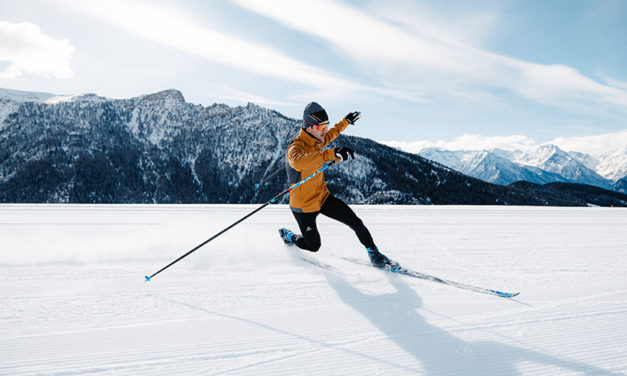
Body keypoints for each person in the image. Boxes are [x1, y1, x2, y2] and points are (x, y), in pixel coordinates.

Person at [278, 102, 397, 269]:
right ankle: (288, 236)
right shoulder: (296, 147)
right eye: (321, 126)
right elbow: (298, 163)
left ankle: (374, 254)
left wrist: (345, 122)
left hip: (322, 198)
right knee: (313, 246)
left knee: (355, 222)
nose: (325, 130)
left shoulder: (317, 139)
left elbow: (332, 134)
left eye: (326, 125)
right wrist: (331, 153)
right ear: (309, 126)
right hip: (303, 206)